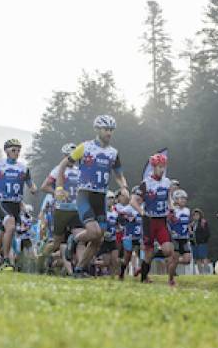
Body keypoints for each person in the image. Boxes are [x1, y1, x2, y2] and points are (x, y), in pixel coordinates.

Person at [53, 114, 129, 277]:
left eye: (111, 130)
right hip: (85, 195)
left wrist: (124, 187)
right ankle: (74, 240)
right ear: (97, 129)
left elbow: (118, 174)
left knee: (98, 238)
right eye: (105, 129)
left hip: (100, 197)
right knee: (93, 232)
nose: (109, 133)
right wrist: (59, 187)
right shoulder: (85, 147)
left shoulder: (113, 153)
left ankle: (79, 269)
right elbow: (63, 165)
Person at [0, 138, 36, 269]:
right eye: (13, 150)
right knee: (10, 227)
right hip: (2, 202)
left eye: (18, 150)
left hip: (15, 204)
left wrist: (33, 188)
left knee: (4, 234)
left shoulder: (23, 168)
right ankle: (6, 261)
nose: (16, 152)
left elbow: (30, 182)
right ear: (6, 151)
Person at [132, 153, 177, 286]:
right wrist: (142, 212)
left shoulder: (167, 182)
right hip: (149, 222)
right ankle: (143, 277)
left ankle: (171, 281)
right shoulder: (146, 183)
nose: (162, 170)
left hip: (162, 221)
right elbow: (133, 201)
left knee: (169, 250)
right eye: (159, 167)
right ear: (153, 167)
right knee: (148, 254)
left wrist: (172, 208)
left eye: (163, 167)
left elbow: (168, 198)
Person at [39, 143, 83, 273]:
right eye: (70, 155)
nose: (73, 158)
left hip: (77, 209)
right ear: (64, 156)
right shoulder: (58, 169)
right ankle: (42, 258)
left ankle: (79, 270)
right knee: (57, 243)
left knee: (80, 238)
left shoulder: (80, 170)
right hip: (61, 209)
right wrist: (56, 192)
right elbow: (44, 186)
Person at [168, 189, 193, 274]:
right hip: (175, 238)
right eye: (181, 198)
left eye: (185, 199)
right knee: (175, 258)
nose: (183, 200)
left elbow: (187, 222)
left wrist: (189, 230)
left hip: (185, 237)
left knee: (187, 260)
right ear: (175, 199)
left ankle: (171, 263)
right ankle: (172, 274)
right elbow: (168, 223)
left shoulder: (187, 210)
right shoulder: (173, 210)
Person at [190, 208, 211, 275]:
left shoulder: (203, 222)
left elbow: (207, 233)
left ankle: (206, 272)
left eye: (197, 215)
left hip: (202, 243)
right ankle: (200, 273)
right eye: (194, 215)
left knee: (204, 257)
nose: (196, 216)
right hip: (194, 243)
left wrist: (203, 240)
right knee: (197, 259)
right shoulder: (192, 224)